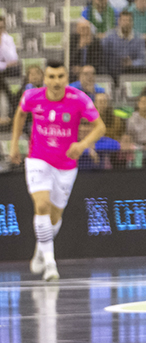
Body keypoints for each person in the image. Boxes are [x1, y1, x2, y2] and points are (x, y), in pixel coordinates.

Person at [8, 62, 106, 281]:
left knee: (54, 217)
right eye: (51, 76)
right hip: (38, 159)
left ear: (66, 78)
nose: (55, 81)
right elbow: (20, 115)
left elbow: (100, 127)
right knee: (41, 206)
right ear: (45, 78)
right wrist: (14, 144)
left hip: (66, 165)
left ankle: (40, 248)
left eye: (60, 76)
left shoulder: (79, 98)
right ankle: (51, 264)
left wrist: (82, 145)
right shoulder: (32, 96)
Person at [102, 10, 146, 77]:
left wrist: (132, 63)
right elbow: (103, 57)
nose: (126, 23)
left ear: (132, 22)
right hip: (113, 71)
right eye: (124, 20)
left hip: (132, 71)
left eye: (129, 20)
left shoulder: (139, 38)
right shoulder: (109, 37)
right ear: (119, 22)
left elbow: (143, 59)